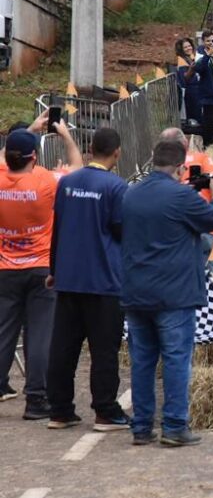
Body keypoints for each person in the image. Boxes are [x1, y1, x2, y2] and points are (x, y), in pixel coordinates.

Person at [121, 140, 213, 446]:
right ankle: (174, 425)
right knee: (176, 359)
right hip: (174, 293)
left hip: (136, 291)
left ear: (153, 160)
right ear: (181, 168)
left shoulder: (131, 193)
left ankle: (142, 426)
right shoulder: (182, 196)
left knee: (142, 361)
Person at [46, 128, 131, 432]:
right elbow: (122, 230)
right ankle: (105, 410)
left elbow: (57, 228)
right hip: (103, 280)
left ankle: (59, 409)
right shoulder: (117, 187)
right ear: (117, 153)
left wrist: (54, 269)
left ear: (90, 149)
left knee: (63, 347)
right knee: (104, 350)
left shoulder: (67, 182)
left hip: (69, 277)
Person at [0, 119, 82, 417]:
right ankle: (36, 398)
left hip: (4, 268)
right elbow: (78, 168)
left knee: (3, 332)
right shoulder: (46, 181)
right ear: (34, 157)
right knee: (39, 335)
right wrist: (66, 136)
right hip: (40, 267)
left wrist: (28, 131)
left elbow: (4, 155)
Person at [185, 29, 213, 146]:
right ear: (203, 42)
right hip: (208, 96)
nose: (211, 43)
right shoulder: (200, 54)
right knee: (209, 124)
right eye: (208, 41)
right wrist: (208, 55)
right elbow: (198, 68)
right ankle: (208, 145)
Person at [174, 38, 201, 124]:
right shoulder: (181, 60)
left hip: (198, 89)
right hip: (190, 91)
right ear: (181, 49)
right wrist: (191, 69)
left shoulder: (193, 57)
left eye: (189, 46)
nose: (188, 48)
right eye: (185, 47)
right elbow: (185, 78)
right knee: (194, 114)